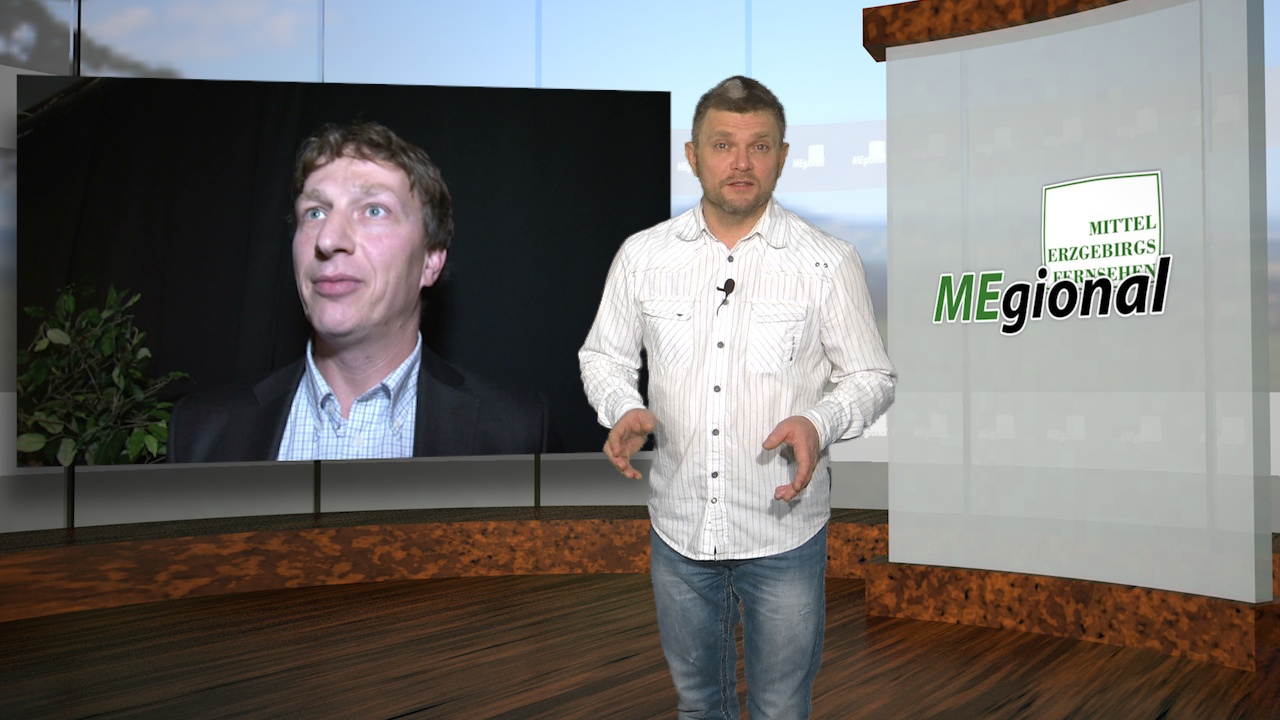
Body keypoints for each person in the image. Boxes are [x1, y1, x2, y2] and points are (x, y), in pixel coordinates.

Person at [579, 76, 896, 719]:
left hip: (784, 534)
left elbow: (872, 377)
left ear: (782, 156)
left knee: (780, 708)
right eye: (723, 144)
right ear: (693, 155)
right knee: (698, 705)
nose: (741, 162)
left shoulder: (827, 262)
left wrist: (819, 420)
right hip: (679, 530)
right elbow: (603, 357)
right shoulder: (642, 257)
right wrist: (624, 408)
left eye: (759, 145)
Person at [169, 121, 550, 462]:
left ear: (430, 261)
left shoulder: (517, 435)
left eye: (373, 210)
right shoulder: (201, 432)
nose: (328, 239)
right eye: (315, 212)